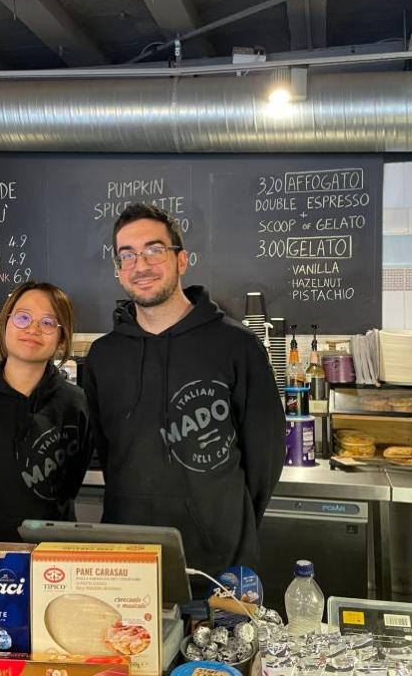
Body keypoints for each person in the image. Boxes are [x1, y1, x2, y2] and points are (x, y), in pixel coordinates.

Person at [84, 203, 285, 578]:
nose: (140, 265)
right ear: (118, 271)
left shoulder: (238, 346)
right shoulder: (103, 356)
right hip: (128, 562)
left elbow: (265, 459)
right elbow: (110, 453)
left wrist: (226, 528)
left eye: (154, 250)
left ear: (182, 260)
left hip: (220, 565)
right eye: (127, 255)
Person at [0, 281, 90, 542]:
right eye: (23, 317)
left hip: (52, 557)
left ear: (62, 338)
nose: (33, 329)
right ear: (4, 325)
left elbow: (71, 483)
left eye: (48, 322)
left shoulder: (76, 404)